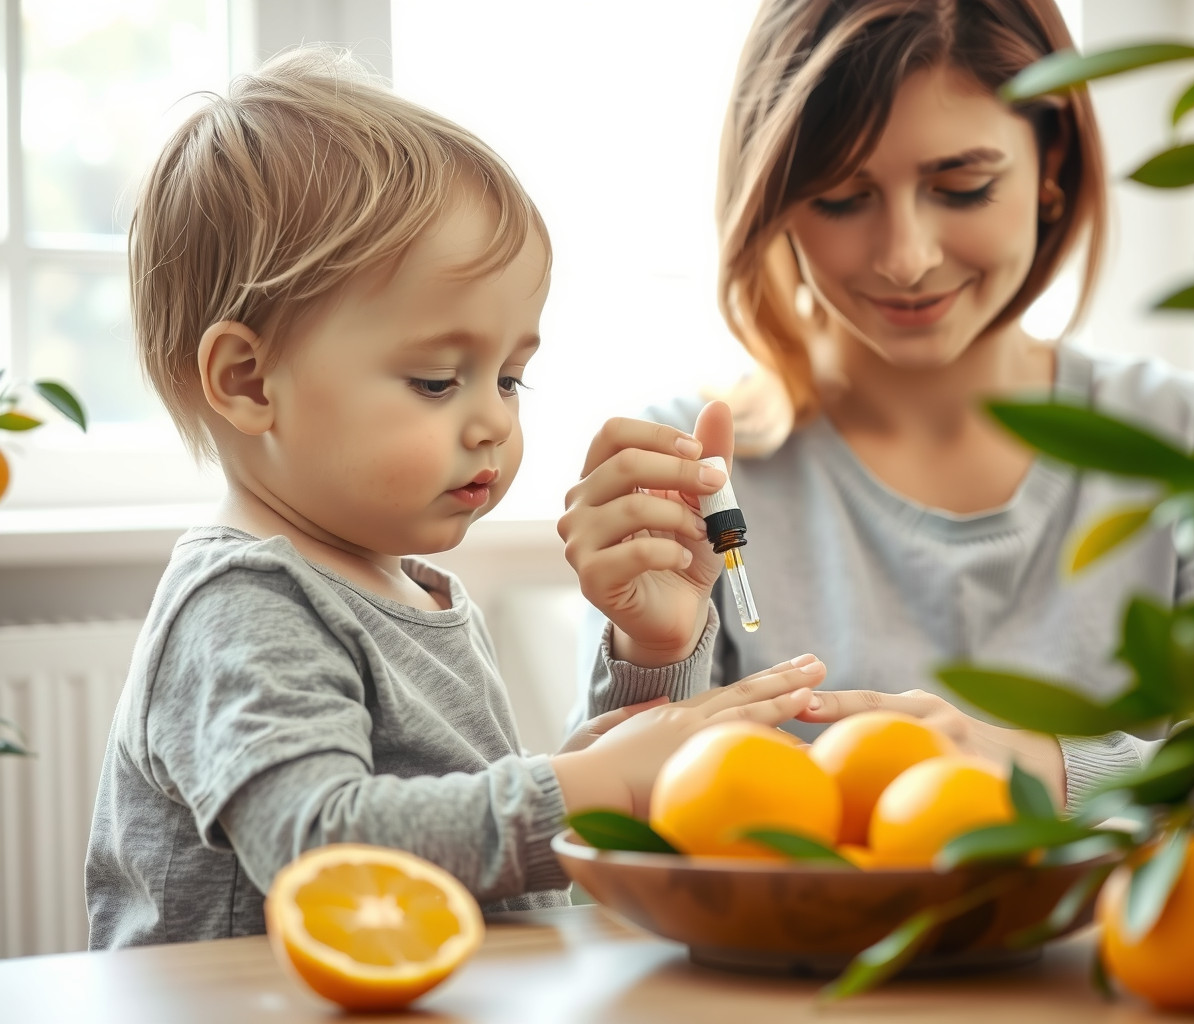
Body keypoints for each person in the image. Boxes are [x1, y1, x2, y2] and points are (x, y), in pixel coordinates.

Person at [84, 47, 827, 949]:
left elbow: (497, 827)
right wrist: (601, 785)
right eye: (439, 381)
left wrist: (655, 663)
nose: (492, 424)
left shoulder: (414, 591)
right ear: (247, 380)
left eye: (512, 378)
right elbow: (321, 846)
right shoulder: (243, 605)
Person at [564, 0, 1194, 825]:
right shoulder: (694, 468)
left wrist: (1034, 774)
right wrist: (653, 656)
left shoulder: (1190, 437)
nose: (906, 258)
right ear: (776, 198)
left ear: (1053, 161)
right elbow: (600, 848)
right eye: (842, 198)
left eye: (963, 187)